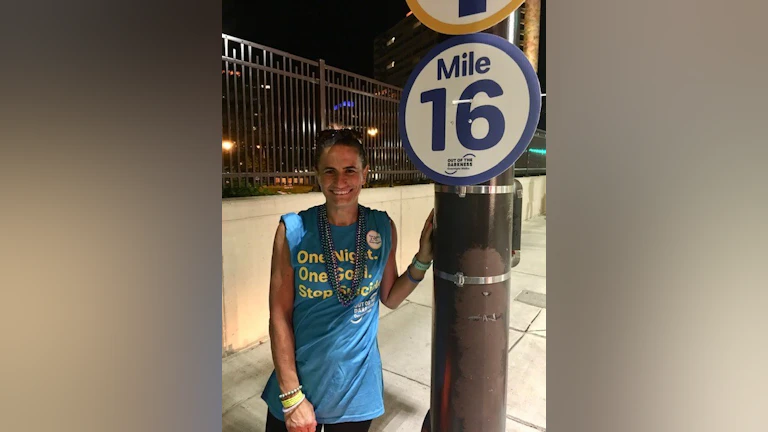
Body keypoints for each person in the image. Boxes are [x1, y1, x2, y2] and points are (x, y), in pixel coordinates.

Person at [260, 128, 434, 432]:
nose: (340, 182)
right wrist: (291, 397)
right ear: (318, 175)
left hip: (356, 393)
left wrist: (423, 258)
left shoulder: (382, 226)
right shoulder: (293, 230)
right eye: (330, 171)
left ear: (365, 174)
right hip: (299, 386)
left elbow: (390, 297)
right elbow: (279, 315)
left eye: (350, 170)